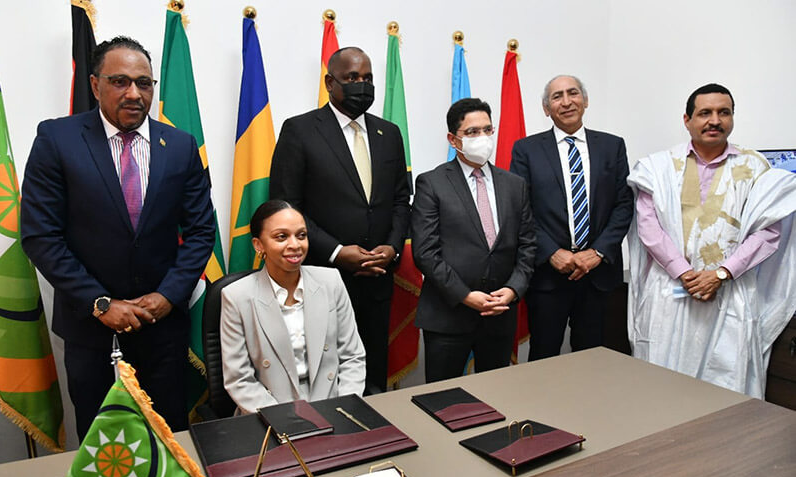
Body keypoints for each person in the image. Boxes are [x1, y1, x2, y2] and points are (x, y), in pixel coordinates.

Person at [20, 37, 215, 441]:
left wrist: (167, 296)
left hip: (162, 331)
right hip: (91, 332)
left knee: (169, 443)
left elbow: (200, 231)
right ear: (95, 85)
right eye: (120, 81)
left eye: (143, 83)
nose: (134, 94)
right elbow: (41, 236)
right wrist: (100, 303)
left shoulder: (180, 146)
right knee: (103, 447)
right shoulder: (57, 140)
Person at [627, 83, 796, 397]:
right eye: (705, 113)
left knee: (726, 385)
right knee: (662, 386)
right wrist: (685, 273)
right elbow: (648, 227)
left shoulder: (756, 168)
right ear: (687, 119)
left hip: (730, 291)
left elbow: (768, 231)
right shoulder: (658, 167)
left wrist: (721, 274)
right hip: (671, 291)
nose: (715, 120)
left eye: (724, 112)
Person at [269, 46, 410, 393]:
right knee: (325, 381)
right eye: (352, 78)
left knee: (373, 378)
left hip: (378, 279)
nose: (363, 85)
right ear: (330, 83)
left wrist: (392, 248)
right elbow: (287, 208)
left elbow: (400, 200)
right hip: (322, 278)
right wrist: (336, 252)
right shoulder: (300, 130)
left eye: (368, 78)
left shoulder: (389, 133)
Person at [411, 98, 536, 383]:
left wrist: (513, 289)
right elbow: (425, 252)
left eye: (487, 130)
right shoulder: (432, 183)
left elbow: (528, 245)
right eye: (472, 132)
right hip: (448, 316)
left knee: (497, 396)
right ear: (453, 139)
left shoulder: (514, 185)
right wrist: (465, 296)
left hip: (500, 314)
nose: (482, 138)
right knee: (444, 400)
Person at [509, 75, 633, 361]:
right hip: (548, 276)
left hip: (598, 275)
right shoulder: (526, 150)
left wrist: (597, 252)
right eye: (557, 97)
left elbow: (623, 204)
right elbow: (520, 208)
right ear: (546, 108)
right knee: (544, 357)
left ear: (585, 101)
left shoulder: (612, 146)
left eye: (573, 93)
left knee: (593, 359)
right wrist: (552, 252)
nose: (566, 102)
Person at [220, 200, 366, 413]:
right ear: (258, 245)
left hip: (332, 404)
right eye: (281, 237)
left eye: (301, 235)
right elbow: (239, 379)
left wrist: (342, 408)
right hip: (268, 412)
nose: (295, 245)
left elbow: (352, 357)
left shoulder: (331, 281)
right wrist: (285, 420)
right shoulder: (236, 296)